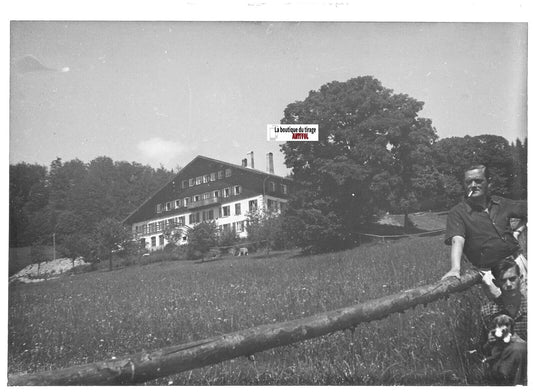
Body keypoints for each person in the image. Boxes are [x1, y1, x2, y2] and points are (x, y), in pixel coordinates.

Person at [442, 165, 527, 298]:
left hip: (517, 263)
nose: (473, 185)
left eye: (478, 181)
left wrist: (518, 231)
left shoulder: (501, 203)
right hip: (491, 273)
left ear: (489, 182)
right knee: (506, 313)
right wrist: (455, 268)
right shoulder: (458, 212)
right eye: (468, 182)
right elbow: (457, 239)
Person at [480, 259, 527, 385]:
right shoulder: (488, 311)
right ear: (496, 282)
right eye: (503, 280)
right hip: (501, 368)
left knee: (519, 348)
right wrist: (489, 343)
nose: (509, 284)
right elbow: (482, 349)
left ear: (520, 278)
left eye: (512, 279)